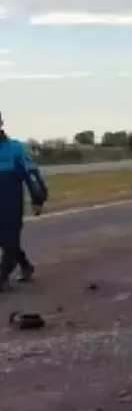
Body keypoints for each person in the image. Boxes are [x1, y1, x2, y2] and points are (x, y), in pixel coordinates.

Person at [0, 111, 48, 289]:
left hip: (11, 202)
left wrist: (38, 197)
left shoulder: (15, 148)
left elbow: (32, 174)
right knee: (5, 240)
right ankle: (25, 265)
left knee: (10, 240)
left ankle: (2, 276)